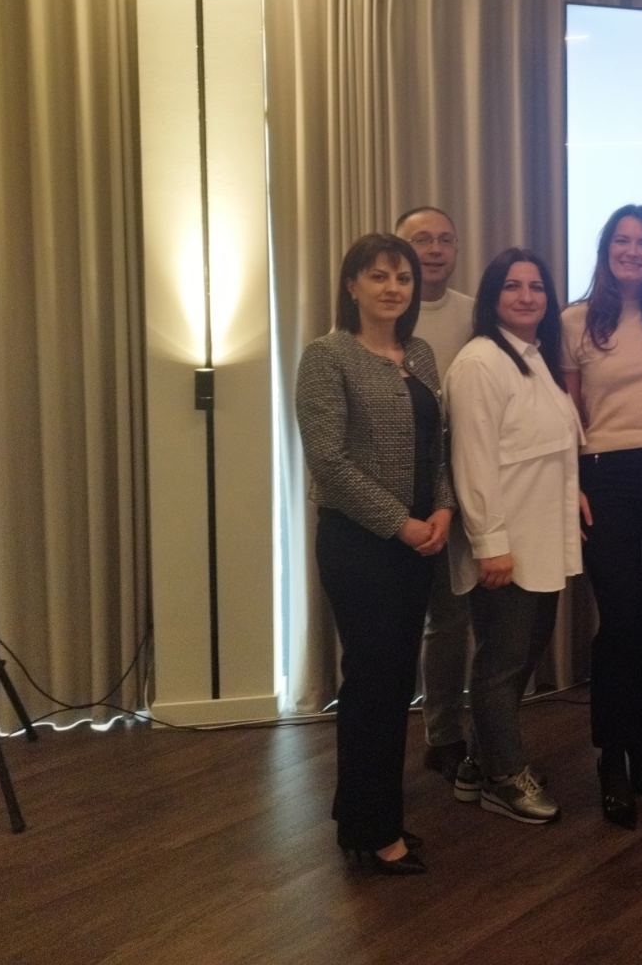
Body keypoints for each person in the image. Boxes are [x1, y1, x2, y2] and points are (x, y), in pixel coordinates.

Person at [295, 233, 454, 875]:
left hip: (418, 540)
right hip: (359, 544)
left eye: (403, 278)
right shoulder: (326, 356)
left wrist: (442, 509)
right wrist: (401, 524)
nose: (393, 288)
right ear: (352, 285)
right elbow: (328, 464)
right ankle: (372, 831)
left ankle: (368, 814)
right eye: (379, 276)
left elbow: (437, 449)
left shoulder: (420, 353)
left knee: (394, 684)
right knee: (372, 682)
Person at [561, 204, 642, 830]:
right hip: (606, 476)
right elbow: (569, 415)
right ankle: (611, 755)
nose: (633, 251)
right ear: (606, 249)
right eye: (622, 240)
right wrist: (572, 483)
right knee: (620, 620)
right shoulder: (575, 320)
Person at [445, 248, 584, 826]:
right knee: (502, 663)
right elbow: (472, 461)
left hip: (540, 536)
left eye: (536, 287)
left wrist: (572, 493)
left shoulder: (533, 357)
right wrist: (489, 543)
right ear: (491, 297)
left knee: (521, 653)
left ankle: (478, 764)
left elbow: (548, 444)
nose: (527, 296)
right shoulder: (480, 362)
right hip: (507, 544)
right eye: (512, 286)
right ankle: (504, 778)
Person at [395, 205, 476, 784]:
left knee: (450, 623)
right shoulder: (380, 316)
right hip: (395, 495)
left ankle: (443, 733)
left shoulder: (475, 314)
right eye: (421, 239)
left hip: (462, 488)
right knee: (393, 626)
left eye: (445, 239)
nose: (434, 249)